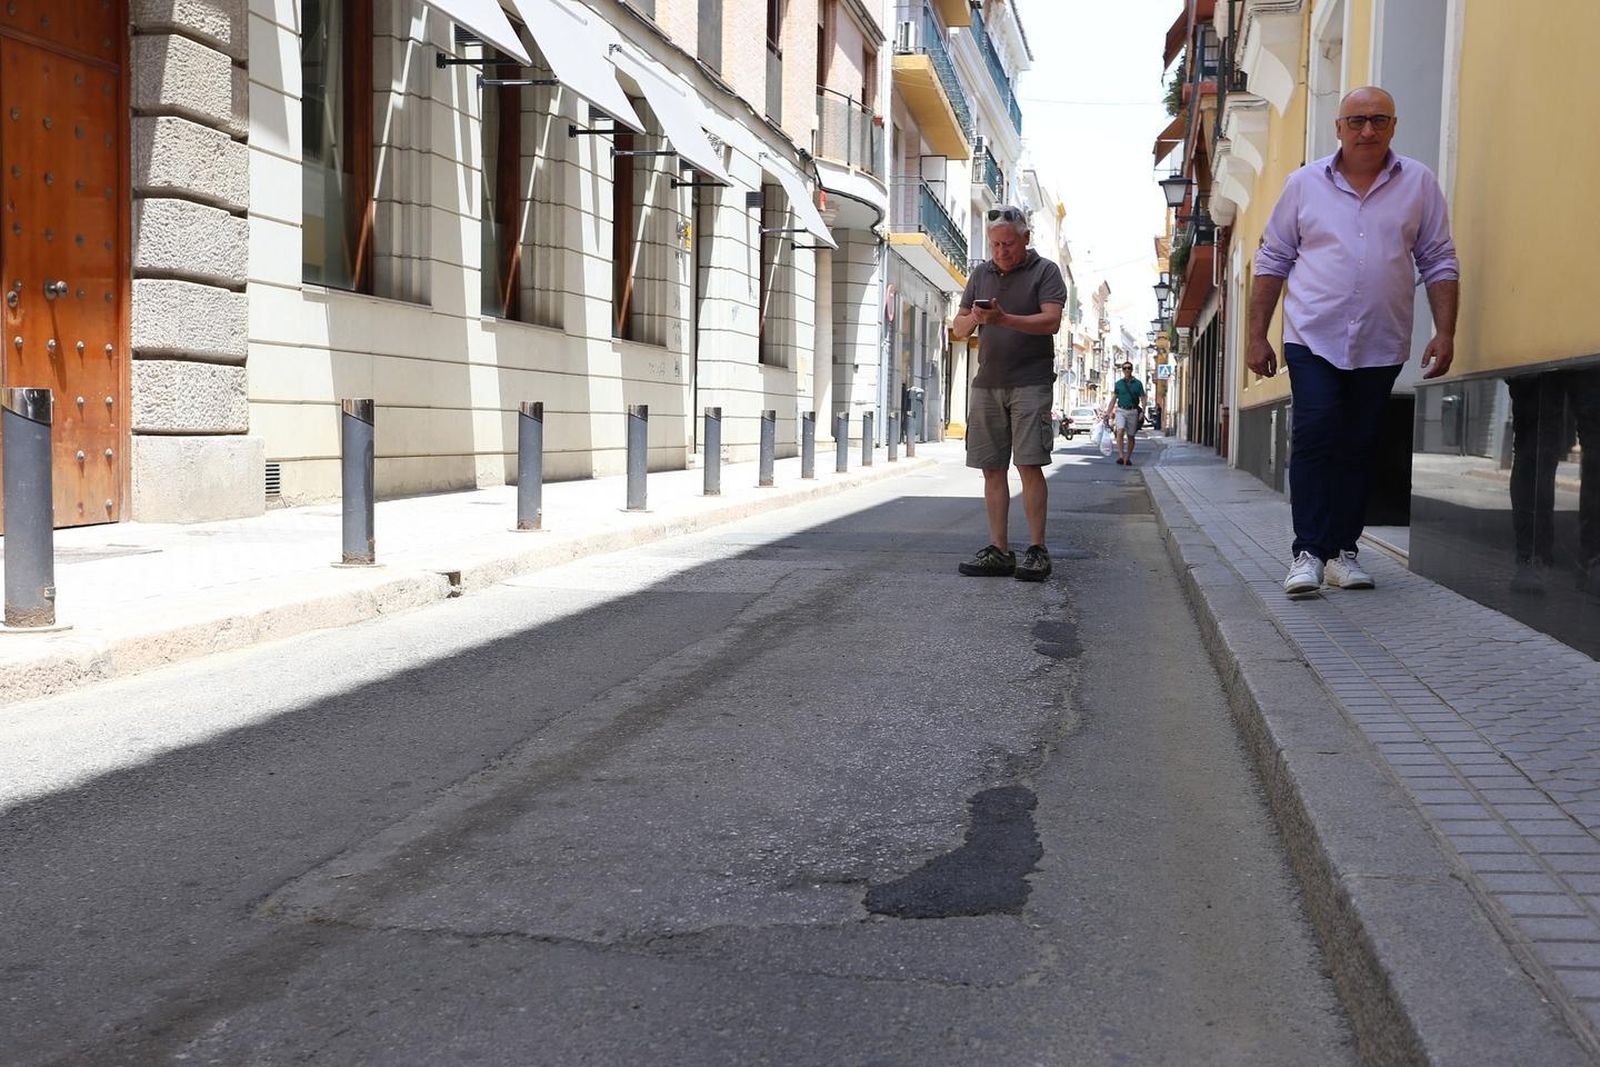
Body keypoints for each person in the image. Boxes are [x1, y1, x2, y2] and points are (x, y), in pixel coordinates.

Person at [1248, 86, 1459, 596]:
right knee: (1317, 435)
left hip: (1381, 340)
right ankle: (1307, 553)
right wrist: (1256, 335)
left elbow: (1438, 260)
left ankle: (1343, 551)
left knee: (1360, 446)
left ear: (1393, 126)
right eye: (1357, 120)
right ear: (1338, 128)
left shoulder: (1419, 185)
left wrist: (1445, 331)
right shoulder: (1303, 185)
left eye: (1379, 120)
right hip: (1312, 335)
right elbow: (1273, 260)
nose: (1368, 130)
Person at [950, 205, 1067, 581]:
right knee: (992, 468)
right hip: (987, 383)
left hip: (1031, 382)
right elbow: (957, 328)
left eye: (1009, 244)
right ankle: (999, 550)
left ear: (1026, 239)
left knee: (1029, 464)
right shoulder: (980, 274)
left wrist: (1005, 319)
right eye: (995, 244)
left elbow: (1051, 320)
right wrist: (977, 319)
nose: (1001, 251)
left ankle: (1036, 549)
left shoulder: (1045, 271)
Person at [1102, 362, 1145, 465]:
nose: (1127, 370)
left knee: (1131, 436)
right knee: (1120, 431)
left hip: (1133, 411)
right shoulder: (1119, 384)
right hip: (1121, 410)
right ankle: (1121, 456)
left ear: (1132, 369)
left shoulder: (1138, 384)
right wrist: (1108, 412)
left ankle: (1128, 457)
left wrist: (1143, 411)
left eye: (1129, 368)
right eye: (1124, 368)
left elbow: (1143, 398)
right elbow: (1114, 399)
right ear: (1122, 370)